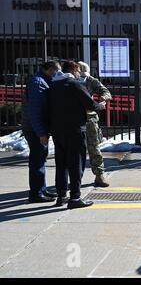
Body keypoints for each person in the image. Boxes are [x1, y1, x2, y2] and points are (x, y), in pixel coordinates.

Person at [48, 61, 106, 209]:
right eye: (78, 71)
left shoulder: (53, 85)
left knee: (61, 164)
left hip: (57, 130)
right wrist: (101, 106)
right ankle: (75, 197)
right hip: (74, 129)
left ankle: (61, 196)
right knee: (75, 164)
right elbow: (90, 104)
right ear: (74, 70)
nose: (79, 74)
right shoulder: (74, 84)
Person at [22, 61, 61, 203]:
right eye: (57, 71)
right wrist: (41, 133)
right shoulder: (38, 83)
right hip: (35, 130)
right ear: (50, 69)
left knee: (40, 160)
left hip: (36, 128)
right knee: (37, 162)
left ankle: (41, 189)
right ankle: (36, 194)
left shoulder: (42, 81)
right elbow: (34, 111)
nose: (58, 74)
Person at [77, 61, 112, 187]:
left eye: (84, 74)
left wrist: (104, 97)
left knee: (94, 147)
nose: (82, 77)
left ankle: (99, 174)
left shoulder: (91, 81)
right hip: (75, 118)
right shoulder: (70, 81)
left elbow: (106, 91)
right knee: (75, 150)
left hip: (90, 117)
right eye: (80, 74)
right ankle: (76, 178)